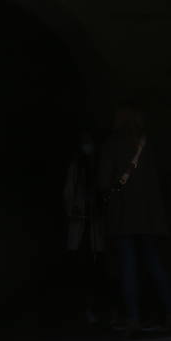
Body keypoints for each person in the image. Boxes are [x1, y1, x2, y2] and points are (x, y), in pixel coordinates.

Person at [99, 107, 171, 333]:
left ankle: (133, 318)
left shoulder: (112, 145)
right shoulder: (147, 145)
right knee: (154, 263)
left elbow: (103, 181)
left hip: (123, 215)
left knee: (127, 267)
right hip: (149, 217)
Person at [61, 129, 106, 325]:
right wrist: (74, 210)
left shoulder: (99, 166)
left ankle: (95, 310)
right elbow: (68, 193)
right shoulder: (76, 167)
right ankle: (83, 310)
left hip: (93, 227)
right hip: (81, 226)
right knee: (82, 271)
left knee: (96, 270)